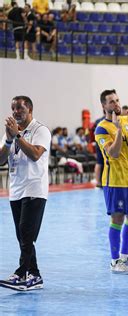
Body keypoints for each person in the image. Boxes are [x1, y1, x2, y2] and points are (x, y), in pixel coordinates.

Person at [0, 96, 51, 291]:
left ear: (30, 109)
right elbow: (1, 160)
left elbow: (36, 154)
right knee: (22, 236)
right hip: (16, 190)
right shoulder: (10, 133)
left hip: (34, 188)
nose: (15, 112)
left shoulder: (41, 130)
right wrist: (9, 140)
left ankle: (22, 273)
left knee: (26, 233)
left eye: (20, 108)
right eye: (13, 108)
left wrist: (18, 137)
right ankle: (34, 275)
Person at [95, 90, 128, 275]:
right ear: (104, 106)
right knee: (117, 219)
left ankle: (125, 257)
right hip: (115, 182)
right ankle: (115, 261)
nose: (115, 104)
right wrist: (118, 131)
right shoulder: (102, 128)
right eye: (111, 102)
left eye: (117, 100)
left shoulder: (126, 120)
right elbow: (113, 153)